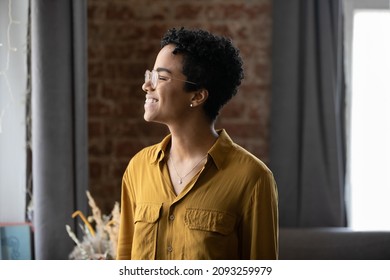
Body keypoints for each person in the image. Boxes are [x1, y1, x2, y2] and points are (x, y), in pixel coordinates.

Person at [116, 27, 278, 260]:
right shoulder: (138, 168)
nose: (146, 86)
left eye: (160, 78)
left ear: (197, 96)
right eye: (149, 75)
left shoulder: (253, 178)